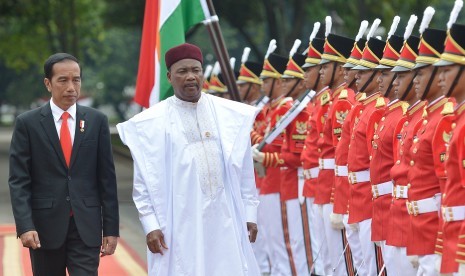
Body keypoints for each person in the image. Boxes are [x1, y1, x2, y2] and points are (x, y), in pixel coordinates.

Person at [116, 43, 260, 275]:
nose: (191, 77)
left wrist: (250, 214)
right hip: (179, 223)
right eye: (182, 72)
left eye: (196, 70)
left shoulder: (230, 114)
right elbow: (143, 183)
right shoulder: (150, 123)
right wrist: (150, 225)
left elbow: (244, 171)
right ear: (169, 77)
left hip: (227, 217)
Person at [8, 52, 119, 275]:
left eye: (76, 80)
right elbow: (19, 181)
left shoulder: (97, 121)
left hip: (85, 226)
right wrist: (25, 226)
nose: (71, 87)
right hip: (44, 229)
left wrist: (111, 228)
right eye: (63, 80)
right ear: (48, 84)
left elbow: (107, 178)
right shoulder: (27, 124)